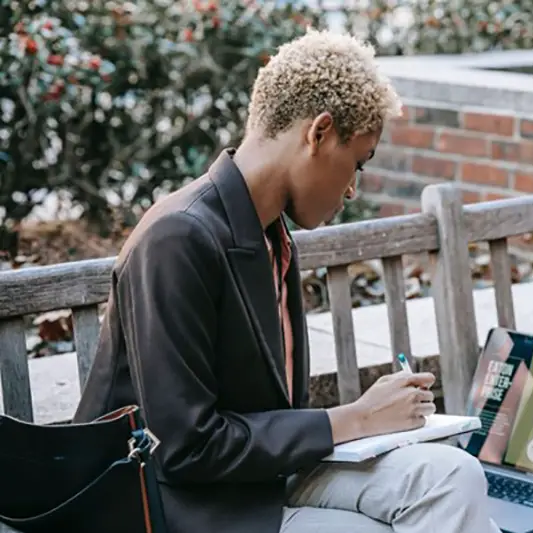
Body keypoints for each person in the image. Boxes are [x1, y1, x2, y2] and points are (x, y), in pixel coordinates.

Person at [72, 29, 502, 533]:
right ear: (318, 134)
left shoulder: (272, 237)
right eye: (357, 163)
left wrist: (366, 423)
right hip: (167, 504)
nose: (352, 188)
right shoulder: (177, 238)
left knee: (454, 476)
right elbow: (185, 450)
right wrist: (357, 418)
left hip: (259, 479)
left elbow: (268, 415)